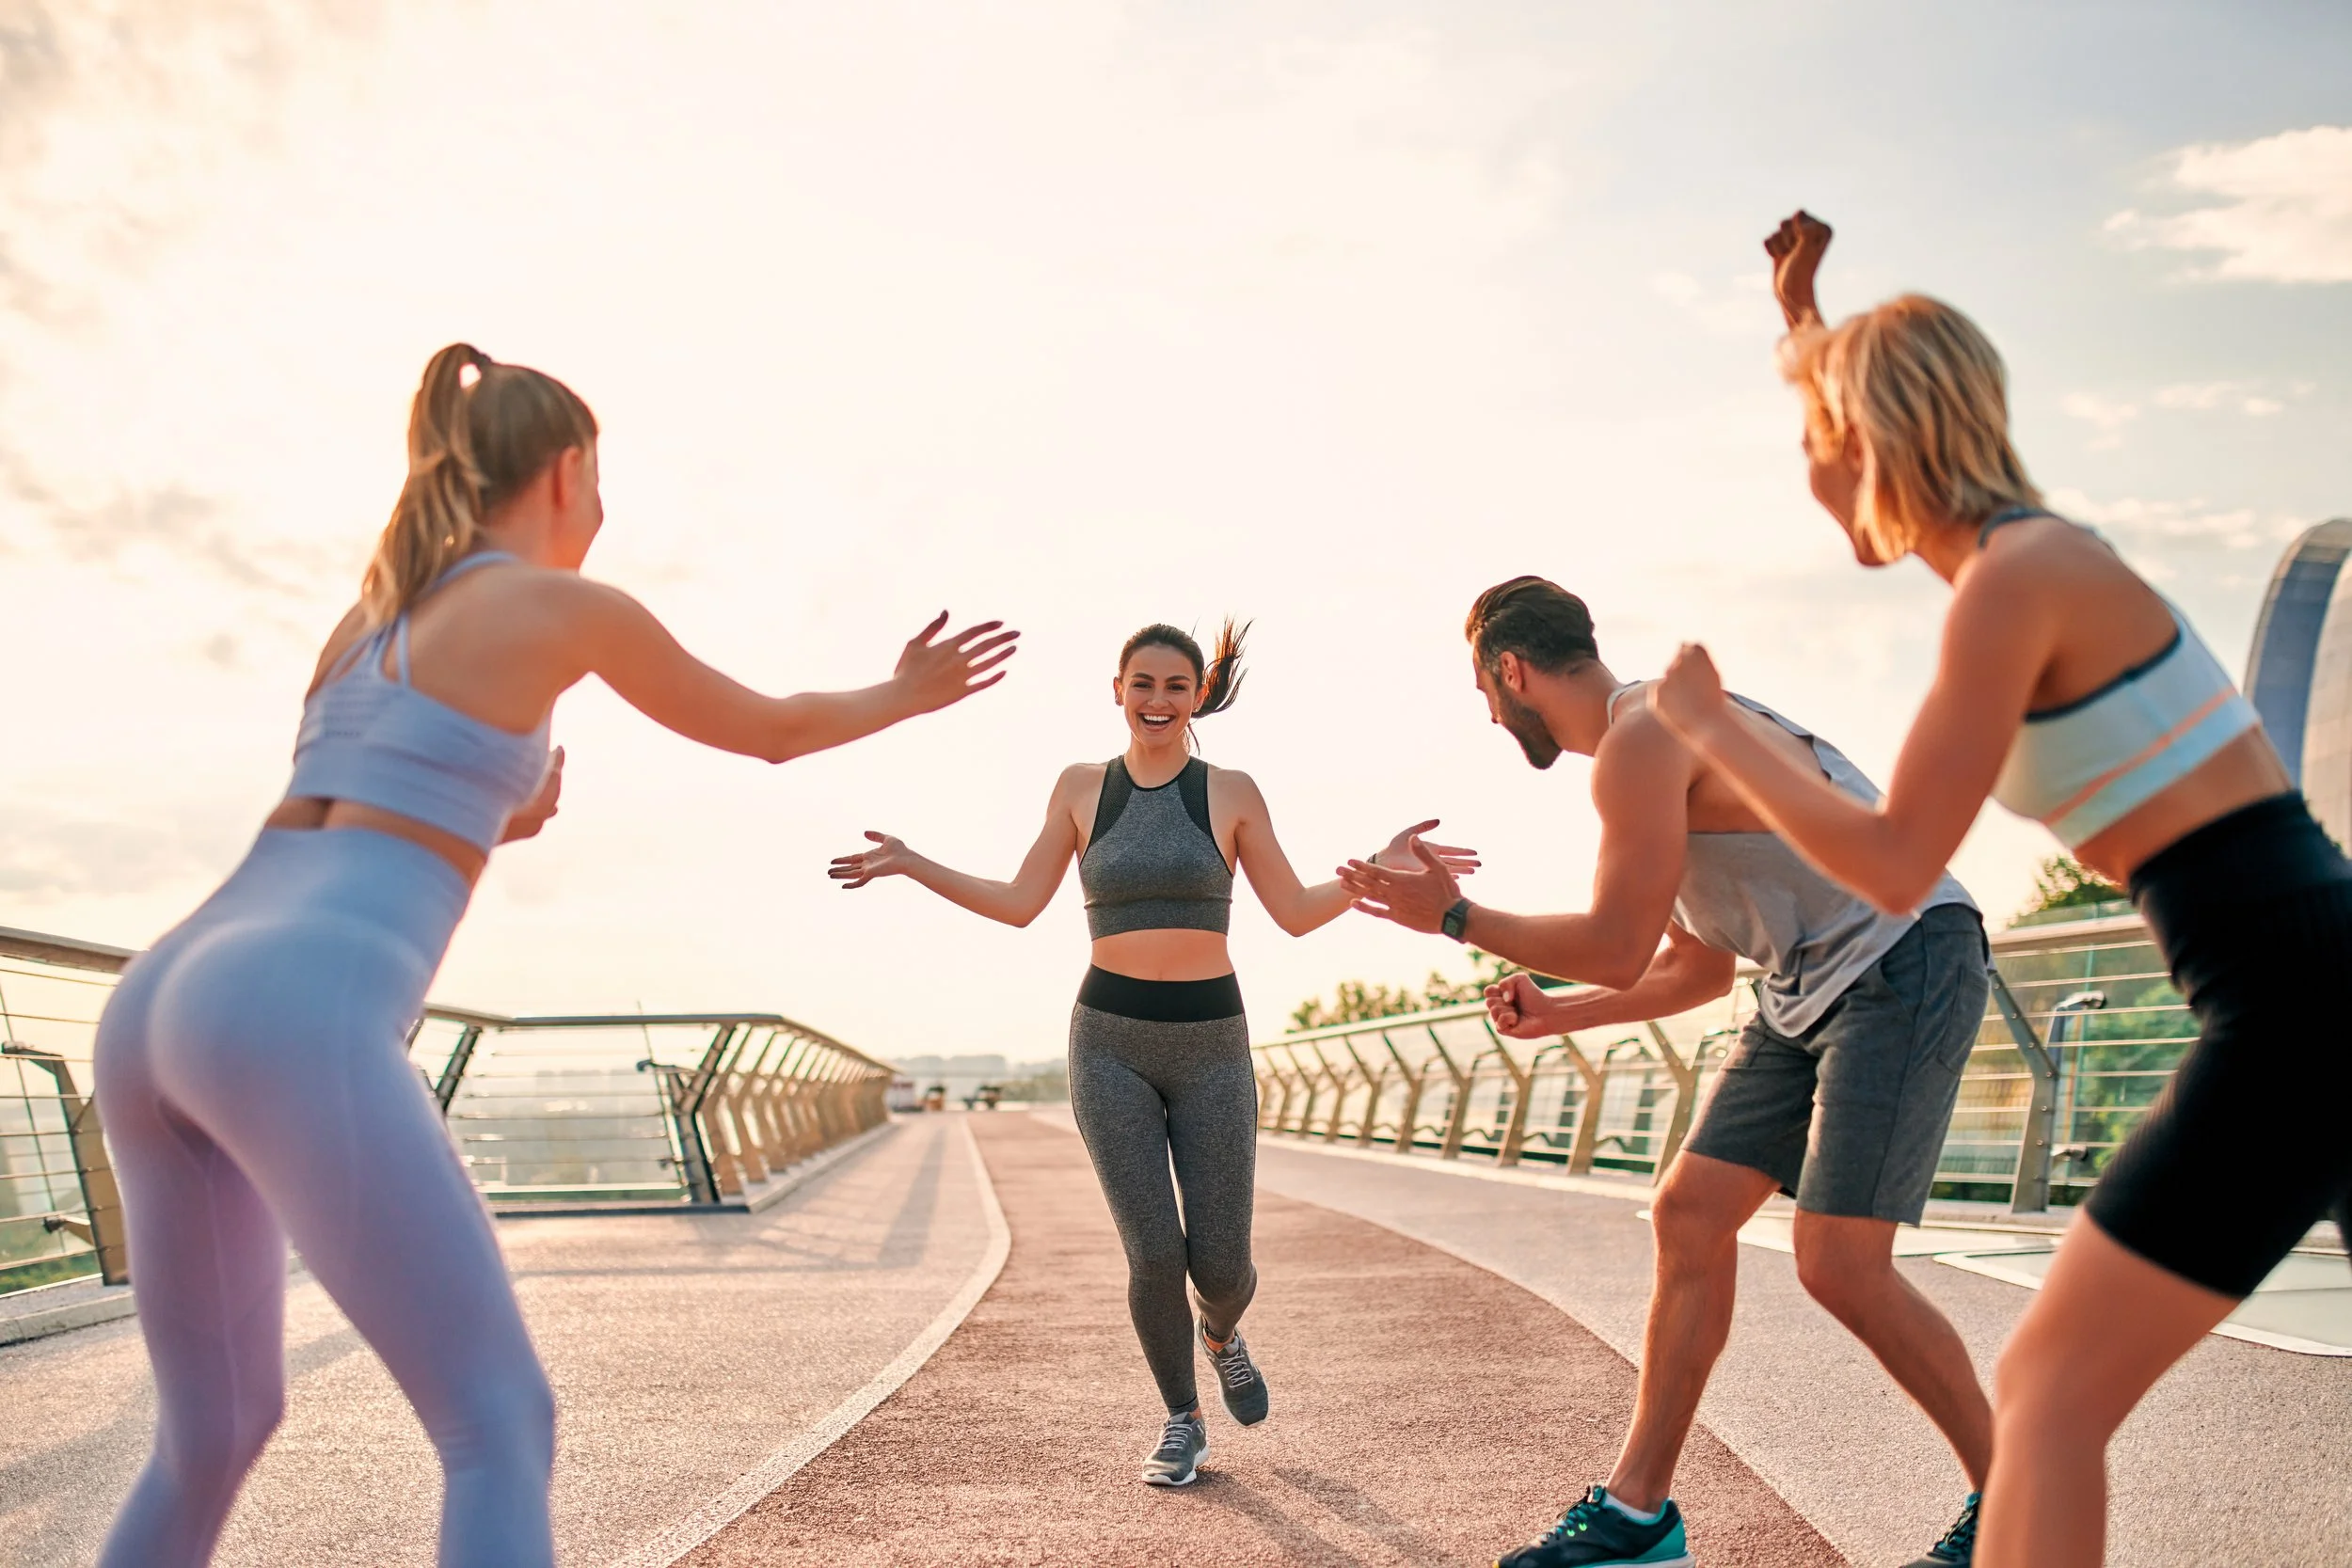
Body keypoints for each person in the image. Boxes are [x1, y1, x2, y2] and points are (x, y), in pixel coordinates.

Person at [92, 343, 1015, 1568]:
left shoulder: (367, 616)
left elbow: (358, 800)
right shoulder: (566, 605)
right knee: (497, 1421)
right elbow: (774, 730)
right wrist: (905, 693)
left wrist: (505, 811)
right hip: (290, 1008)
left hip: (158, 997)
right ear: (569, 469)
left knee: (210, 1432)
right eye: (604, 476)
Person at [1649, 213, 2352, 1568]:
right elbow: (1842, 399)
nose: (1806, 472)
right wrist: (1801, 310)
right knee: (2051, 1392)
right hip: (2301, 977)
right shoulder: (2024, 560)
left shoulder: (2014, 586)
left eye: (1817, 439)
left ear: (1876, 441)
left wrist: (1711, 727)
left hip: (2299, 1005)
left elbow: (1899, 858)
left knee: (2050, 1390)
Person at [1340, 577, 1993, 1568]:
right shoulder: (1646, 742)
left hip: (1902, 957)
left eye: (1482, 687)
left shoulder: (1644, 734)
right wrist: (1563, 1012)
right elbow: (1694, 963)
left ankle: (2020, 1504)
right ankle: (1639, 1513)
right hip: (1808, 979)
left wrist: (1455, 918)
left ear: (1510, 669)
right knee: (1688, 1211)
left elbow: (1610, 940)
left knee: (1838, 1260)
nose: (1485, 710)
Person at [829, 621, 1475, 1487]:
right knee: (1152, 1255)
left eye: (1175, 685)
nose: (1158, 700)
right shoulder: (1080, 788)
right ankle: (1181, 1418)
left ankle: (1222, 1334)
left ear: (1197, 696)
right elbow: (1020, 901)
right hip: (1108, 1043)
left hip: (1212, 1044)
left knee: (1221, 1265)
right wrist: (914, 863)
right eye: (1143, 683)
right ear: (1118, 689)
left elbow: (1290, 907)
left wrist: (1377, 870)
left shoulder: (1233, 791)